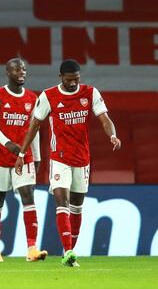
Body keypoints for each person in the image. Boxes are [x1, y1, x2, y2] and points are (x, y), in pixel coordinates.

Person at [15, 59, 121, 268]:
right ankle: (69, 251)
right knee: (61, 202)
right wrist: (22, 152)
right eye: (69, 80)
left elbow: (104, 119)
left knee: (77, 207)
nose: (73, 83)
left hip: (82, 159)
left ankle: (69, 251)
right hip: (59, 158)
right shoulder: (49, 96)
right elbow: (34, 125)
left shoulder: (90, 93)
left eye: (76, 79)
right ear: (60, 77)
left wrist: (113, 136)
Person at [0, 58, 47, 262]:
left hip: (24, 157)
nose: (22, 72)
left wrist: (36, 156)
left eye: (24, 70)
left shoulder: (32, 98)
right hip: (0, 158)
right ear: (7, 72)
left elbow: (34, 129)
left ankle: (32, 249)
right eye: (17, 70)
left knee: (28, 197)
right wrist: (9, 143)